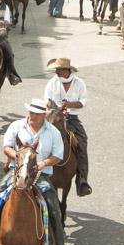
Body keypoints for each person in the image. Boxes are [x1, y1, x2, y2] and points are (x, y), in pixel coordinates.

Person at [0, 98, 65, 245]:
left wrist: (42, 163)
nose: (32, 116)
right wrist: (21, 158)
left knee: (53, 206)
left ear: (44, 115)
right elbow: (7, 147)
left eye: (36, 113)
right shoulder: (16, 126)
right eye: (31, 112)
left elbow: (58, 155)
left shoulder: (53, 132)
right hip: (17, 171)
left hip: (39, 174)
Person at [44, 58, 91, 196]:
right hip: (54, 116)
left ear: (67, 70)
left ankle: (82, 179)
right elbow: (47, 98)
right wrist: (55, 107)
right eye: (56, 69)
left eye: (59, 69)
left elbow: (83, 102)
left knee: (82, 142)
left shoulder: (79, 83)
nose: (56, 72)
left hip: (71, 119)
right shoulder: (52, 82)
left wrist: (69, 105)